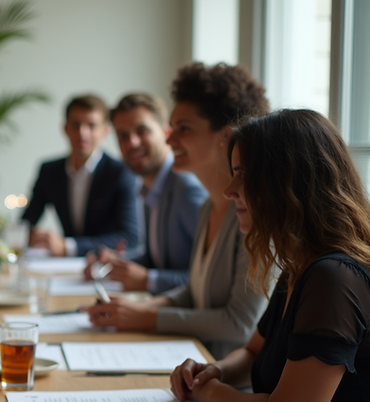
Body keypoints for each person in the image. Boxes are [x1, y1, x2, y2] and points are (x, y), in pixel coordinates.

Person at [172, 108, 370, 402]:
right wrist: (216, 369)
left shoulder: (334, 278)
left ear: (289, 182)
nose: (228, 190)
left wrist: (213, 393)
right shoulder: (301, 265)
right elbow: (252, 352)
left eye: (243, 175)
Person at [88, 63, 271, 360]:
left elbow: (240, 324)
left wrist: (147, 317)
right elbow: (192, 293)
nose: (170, 139)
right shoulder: (209, 207)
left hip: (228, 381)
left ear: (224, 137)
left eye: (183, 129)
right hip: (194, 365)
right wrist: (136, 309)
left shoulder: (256, 217)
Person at [84, 93, 207, 294]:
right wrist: (115, 265)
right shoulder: (150, 188)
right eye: (123, 135)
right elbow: (157, 259)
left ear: (167, 133)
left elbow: (209, 280)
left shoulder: (187, 190)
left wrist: (149, 281)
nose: (131, 142)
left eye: (142, 131)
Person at [20, 94, 139, 257]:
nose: (82, 133)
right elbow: (26, 223)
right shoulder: (49, 171)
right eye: (76, 125)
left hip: (103, 268)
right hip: (62, 268)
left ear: (105, 131)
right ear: (65, 128)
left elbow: (130, 237)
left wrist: (68, 246)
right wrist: (34, 236)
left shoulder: (121, 172)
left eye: (91, 125)